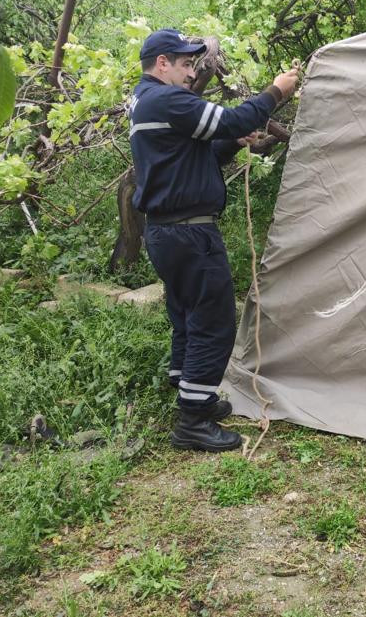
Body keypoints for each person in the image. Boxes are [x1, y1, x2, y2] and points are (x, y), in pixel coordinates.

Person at [128, 28, 299, 452]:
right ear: (162, 63)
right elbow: (233, 118)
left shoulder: (148, 102)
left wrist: (230, 142)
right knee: (213, 319)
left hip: (167, 229)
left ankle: (190, 390)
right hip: (188, 232)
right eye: (186, 64)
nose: (191, 73)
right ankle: (193, 421)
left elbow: (193, 155)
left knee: (187, 310)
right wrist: (275, 92)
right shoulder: (166, 99)